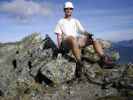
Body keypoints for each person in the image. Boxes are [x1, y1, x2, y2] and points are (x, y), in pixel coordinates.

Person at [54, 1, 113, 78]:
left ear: (72, 10)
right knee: (72, 38)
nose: (68, 10)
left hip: (75, 41)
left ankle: (104, 59)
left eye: (70, 8)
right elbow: (58, 35)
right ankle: (79, 63)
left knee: (93, 39)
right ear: (64, 10)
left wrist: (88, 34)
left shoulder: (75, 21)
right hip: (65, 42)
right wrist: (59, 48)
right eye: (67, 8)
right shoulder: (60, 21)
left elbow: (82, 31)